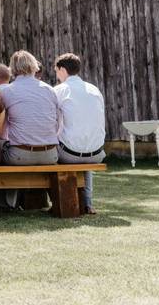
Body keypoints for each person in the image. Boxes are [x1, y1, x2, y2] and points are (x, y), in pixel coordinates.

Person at [1, 50, 59, 208]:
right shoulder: (50, 90)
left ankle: (7, 203)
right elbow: (57, 123)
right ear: (34, 67)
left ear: (12, 68)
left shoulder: (6, 91)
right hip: (50, 154)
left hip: (20, 154)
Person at [54, 53, 106, 214]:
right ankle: (88, 202)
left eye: (56, 70)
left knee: (48, 150)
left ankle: (59, 200)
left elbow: (52, 122)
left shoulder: (59, 90)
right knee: (83, 152)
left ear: (62, 69)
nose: (56, 74)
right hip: (97, 152)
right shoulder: (94, 89)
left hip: (68, 154)